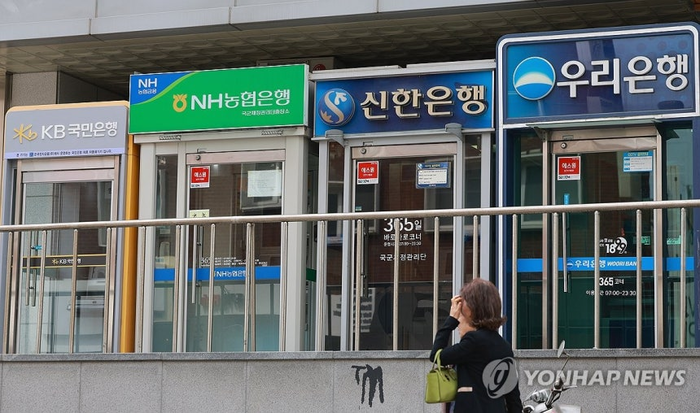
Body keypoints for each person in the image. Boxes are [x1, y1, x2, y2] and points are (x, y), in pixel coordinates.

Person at [429, 278, 522, 413]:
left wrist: (451, 320)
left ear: (472, 308)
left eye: (464, 302)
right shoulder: (504, 345)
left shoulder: (473, 341)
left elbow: (436, 355)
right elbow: (512, 395)